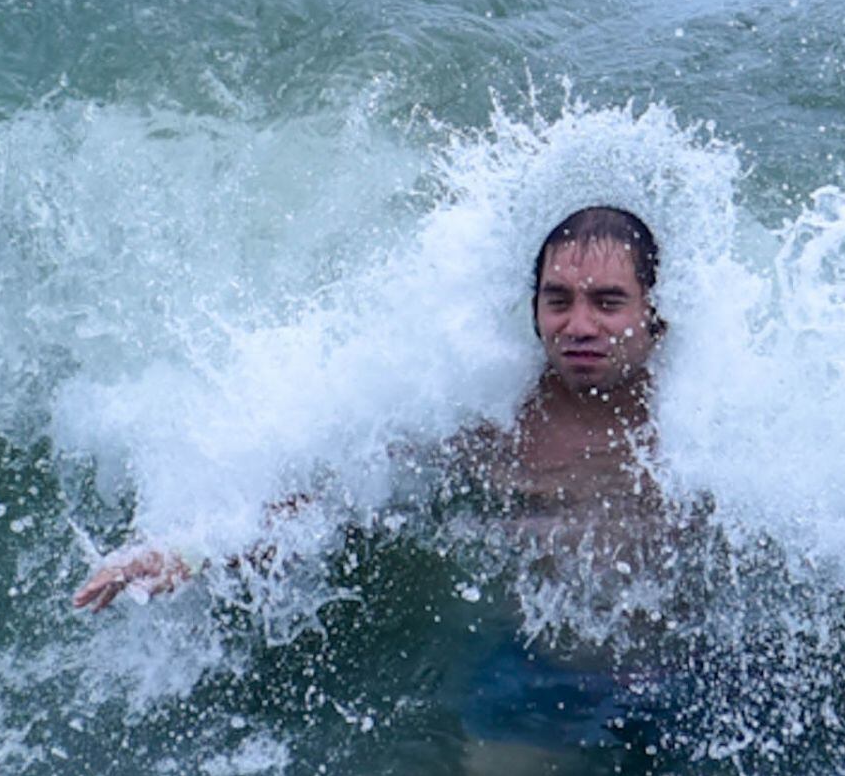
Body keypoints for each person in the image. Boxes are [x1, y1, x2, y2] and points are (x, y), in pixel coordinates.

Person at [72, 204, 668, 614]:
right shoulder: (494, 420)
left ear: (654, 311)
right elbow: (331, 498)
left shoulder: (700, 425)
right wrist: (190, 552)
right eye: (557, 300)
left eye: (608, 302)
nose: (579, 324)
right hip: (545, 673)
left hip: (695, 666)